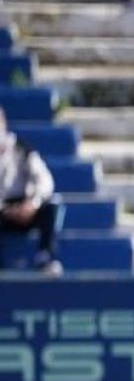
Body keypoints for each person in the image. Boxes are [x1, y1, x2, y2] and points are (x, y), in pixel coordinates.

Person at [0, 109, 62, 276]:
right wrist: (7, 210)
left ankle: (45, 257)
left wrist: (32, 204)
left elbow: (45, 180)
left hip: (27, 206)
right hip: (3, 211)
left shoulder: (21, 148)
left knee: (53, 205)